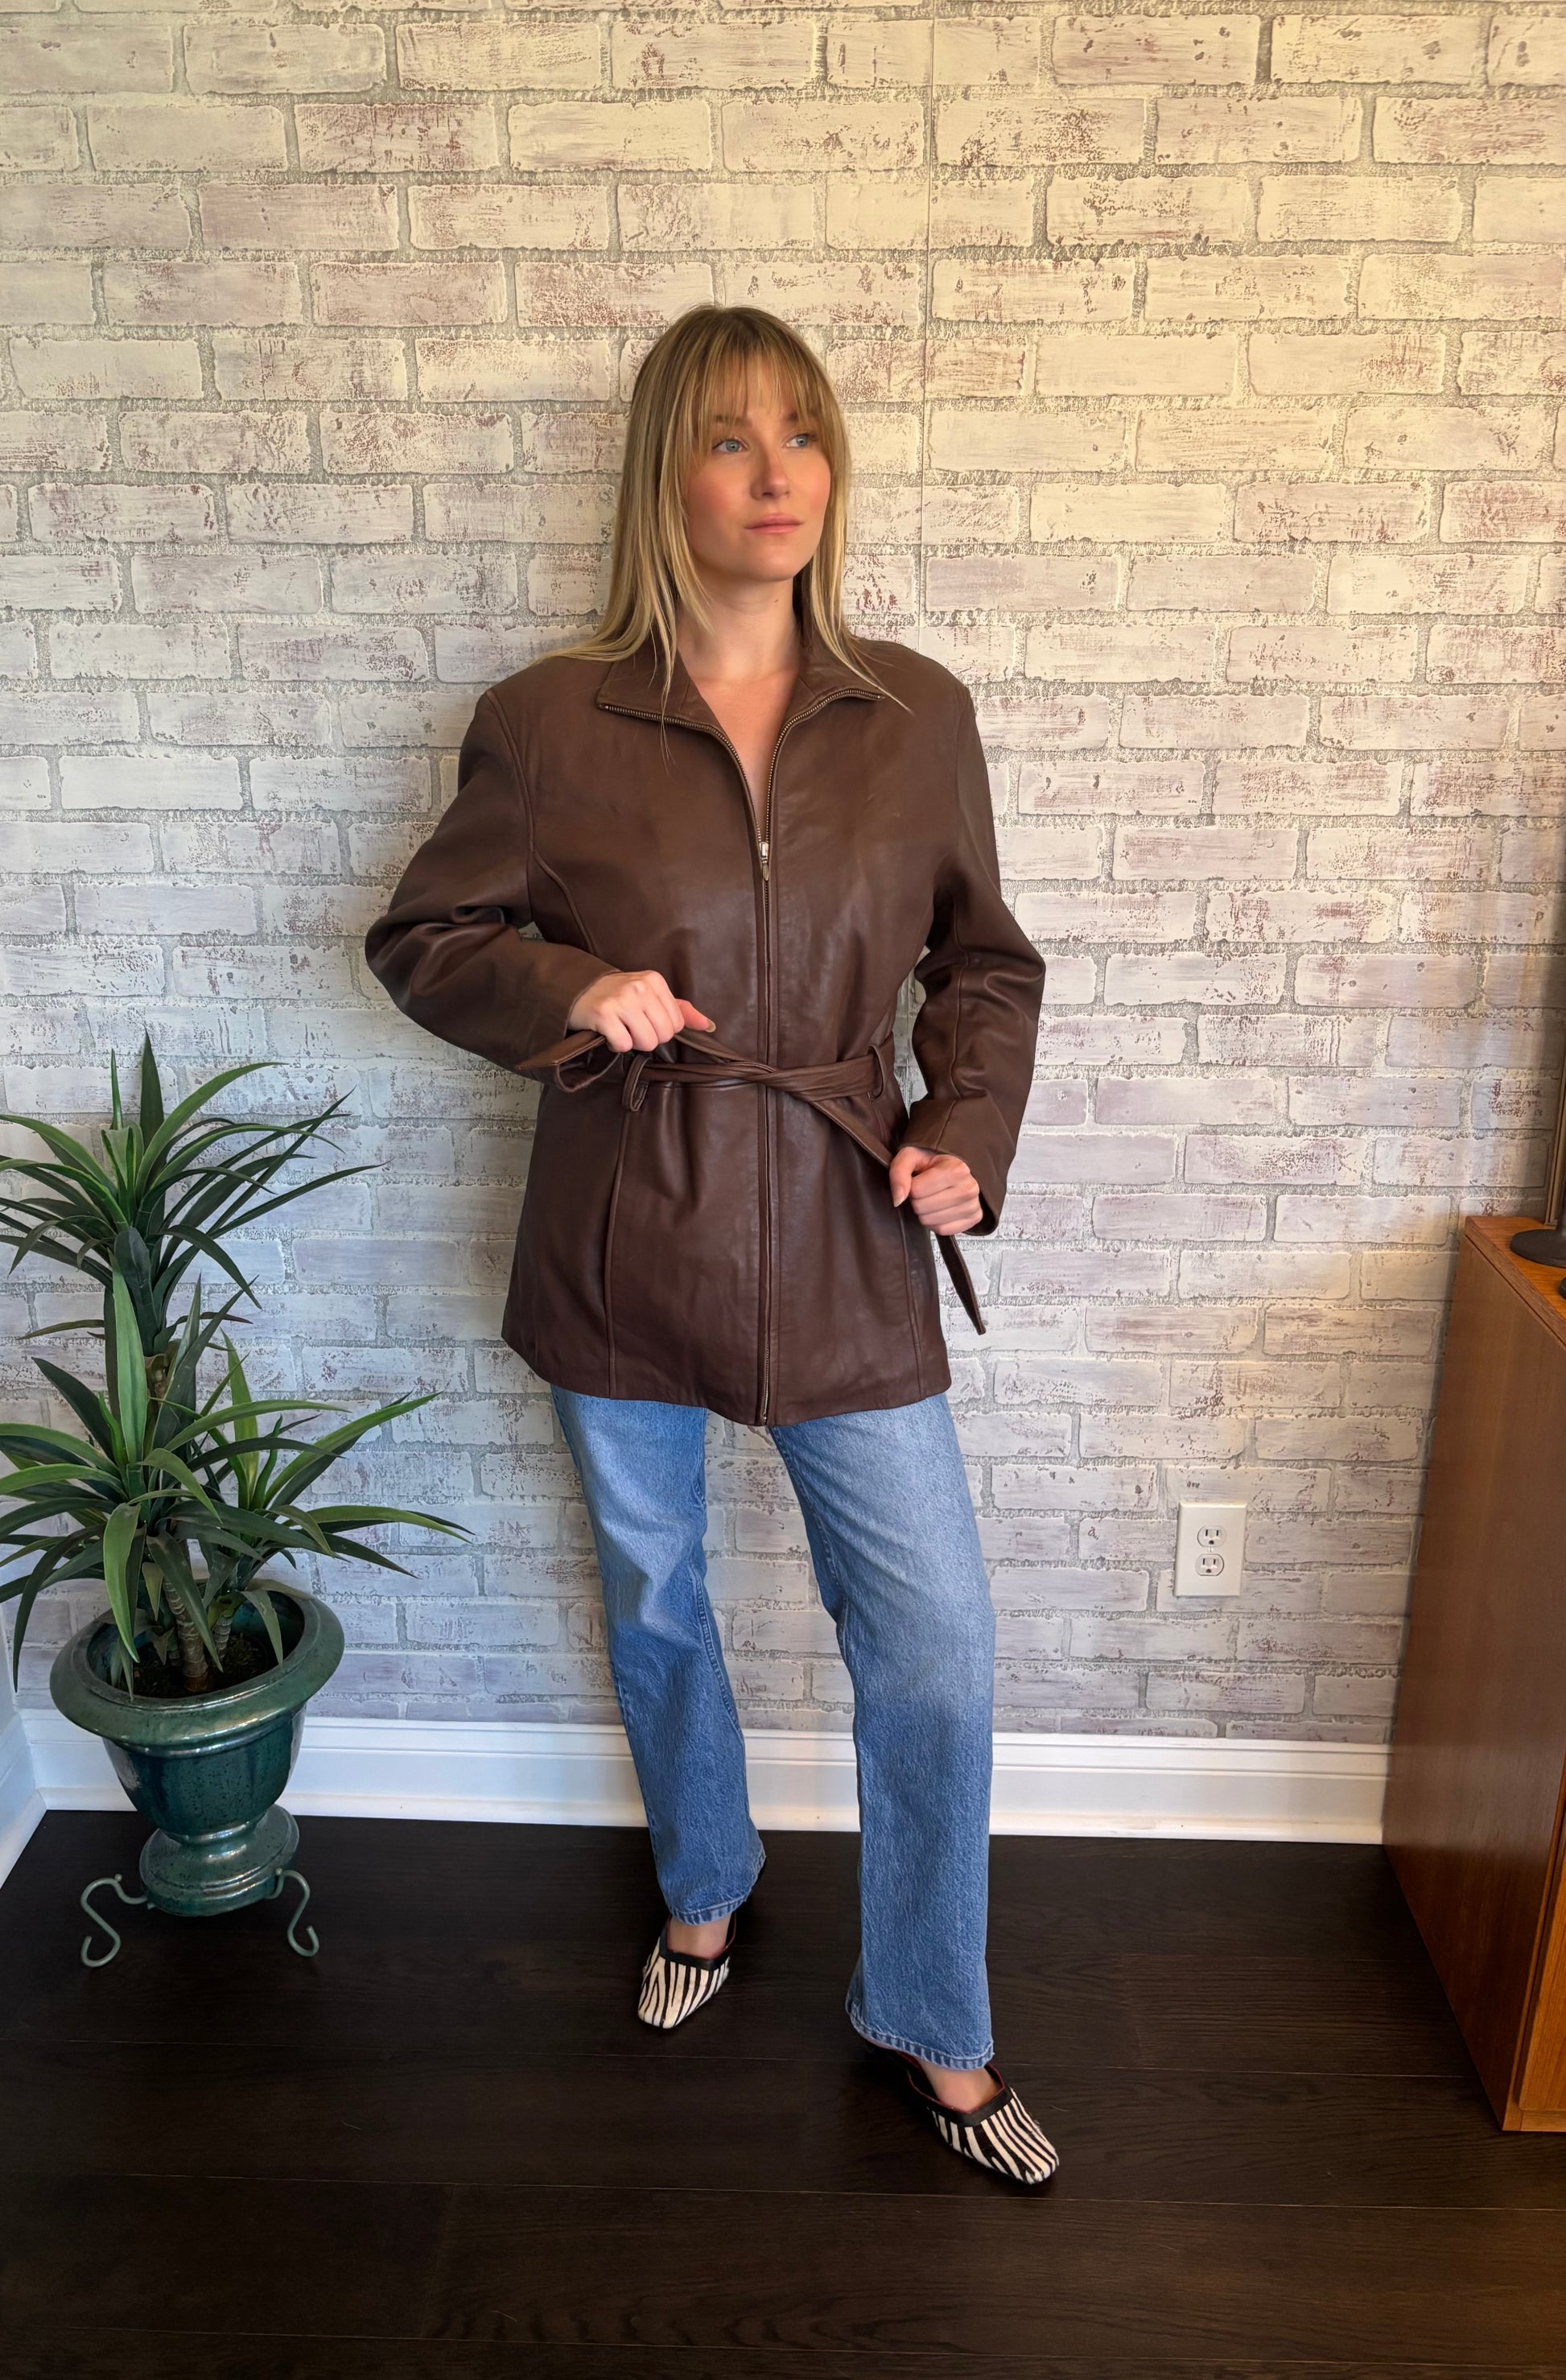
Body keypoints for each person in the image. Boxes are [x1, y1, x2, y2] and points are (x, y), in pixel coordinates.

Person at [364, 305, 1055, 2187]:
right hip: (623, 1228)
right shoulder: (547, 719)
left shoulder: (914, 713)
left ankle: (932, 2011)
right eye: (734, 439)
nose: (777, 476)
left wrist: (962, 1133)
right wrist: (575, 986)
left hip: (843, 1227)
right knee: (659, 1599)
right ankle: (703, 1879)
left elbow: (982, 968)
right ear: (665, 475)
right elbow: (427, 939)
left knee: (934, 1648)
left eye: (803, 435)